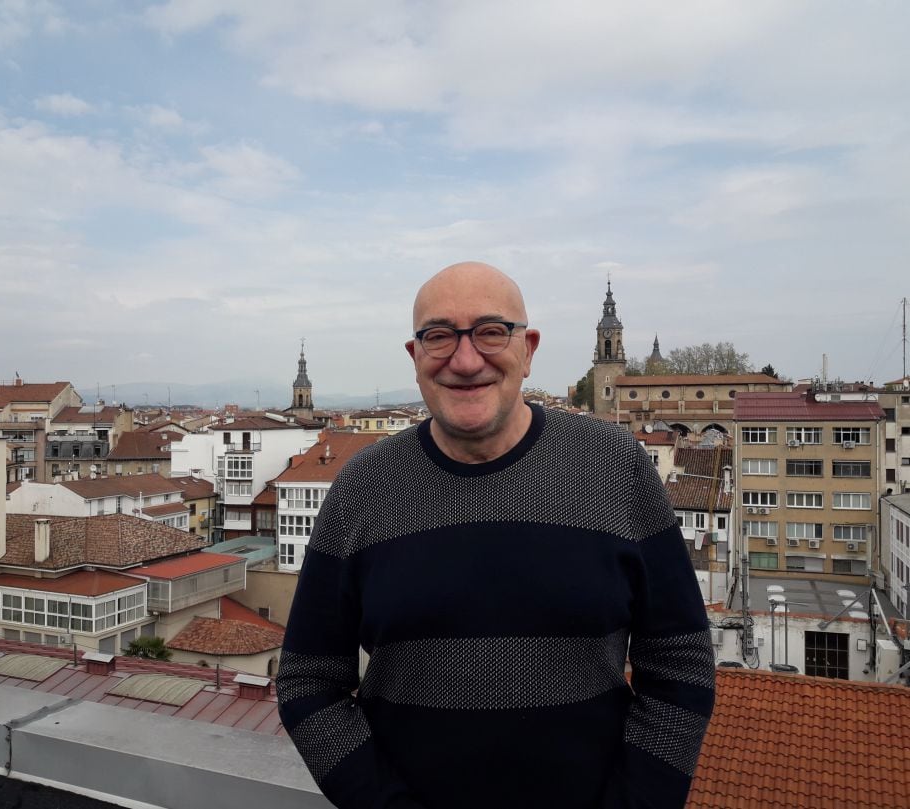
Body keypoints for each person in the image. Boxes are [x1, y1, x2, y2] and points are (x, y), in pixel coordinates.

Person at [277, 262, 715, 808]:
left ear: (528, 349)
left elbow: (680, 661)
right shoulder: (364, 487)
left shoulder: (616, 467)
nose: (465, 360)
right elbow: (307, 680)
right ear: (415, 359)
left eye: (490, 331)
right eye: (439, 336)